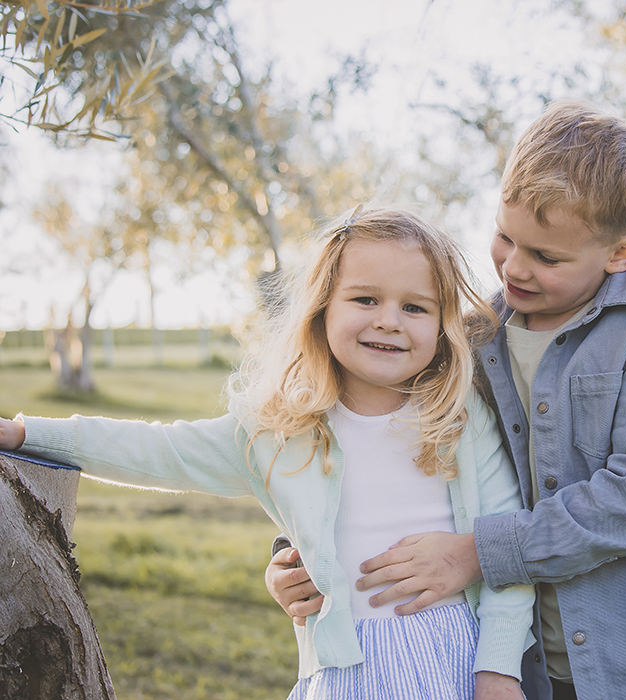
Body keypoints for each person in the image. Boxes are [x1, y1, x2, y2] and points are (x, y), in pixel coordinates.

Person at [266, 102, 626, 700]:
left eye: (547, 257)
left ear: (622, 253)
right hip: (536, 667)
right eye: (504, 236)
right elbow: (381, 446)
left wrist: (477, 553)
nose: (514, 267)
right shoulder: (471, 337)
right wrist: (294, 555)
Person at [0, 207, 535, 700]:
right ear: (322, 307)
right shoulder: (278, 430)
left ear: (442, 327)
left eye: (415, 307)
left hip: (453, 661)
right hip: (341, 671)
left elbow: (503, 546)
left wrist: (499, 669)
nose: (389, 320)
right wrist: (28, 434)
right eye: (366, 299)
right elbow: (160, 450)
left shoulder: (458, 419)